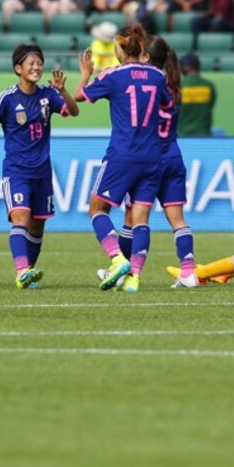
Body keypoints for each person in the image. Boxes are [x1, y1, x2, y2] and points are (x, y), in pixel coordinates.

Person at [0, 44, 79, 289]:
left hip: (42, 172)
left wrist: (64, 91)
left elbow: (74, 111)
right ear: (18, 69)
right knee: (21, 217)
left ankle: (29, 272)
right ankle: (22, 270)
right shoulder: (7, 98)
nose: (36, 67)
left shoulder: (48, 94)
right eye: (31, 63)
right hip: (16, 171)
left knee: (38, 224)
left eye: (39, 63)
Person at [75, 23, 172, 293]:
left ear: (119, 49)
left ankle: (117, 259)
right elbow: (167, 105)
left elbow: (78, 98)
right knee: (140, 218)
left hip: (122, 153)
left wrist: (85, 74)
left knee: (97, 210)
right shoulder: (157, 77)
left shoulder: (112, 75)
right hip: (152, 155)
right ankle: (134, 278)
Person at [116, 35, 200, 288]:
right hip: (173, 155)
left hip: (149, 158)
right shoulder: (172, 85)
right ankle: (188, 271)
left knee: (135, 216)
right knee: (177, 218)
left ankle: (126, 270)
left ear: (146, 57)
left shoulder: (148, 85)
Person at [179, 52, 215, 137]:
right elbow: (210, 105)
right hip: (204, 134)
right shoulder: (208, 86)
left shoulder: (179, 86)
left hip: (182, 135)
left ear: (185, 67)